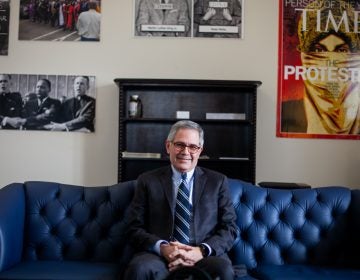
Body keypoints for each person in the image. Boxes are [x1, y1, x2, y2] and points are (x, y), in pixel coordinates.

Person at [123, 120, 239, 280]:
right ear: (168, 146)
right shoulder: (147, 180)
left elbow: (229, 228)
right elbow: (134, 227)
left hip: (204, 255)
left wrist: (201, 251)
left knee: (223, 270)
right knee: (140, 269)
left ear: (200, 151)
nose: (185, 151)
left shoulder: (217, 182)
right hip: (159, 255)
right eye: (179, 145)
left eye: (193, 147)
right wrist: (163, 248)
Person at [281, 0, 360, 135]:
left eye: (341, 50)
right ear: (303, 54)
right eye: (318, 50)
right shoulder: (286, 113)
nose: (330, 62)